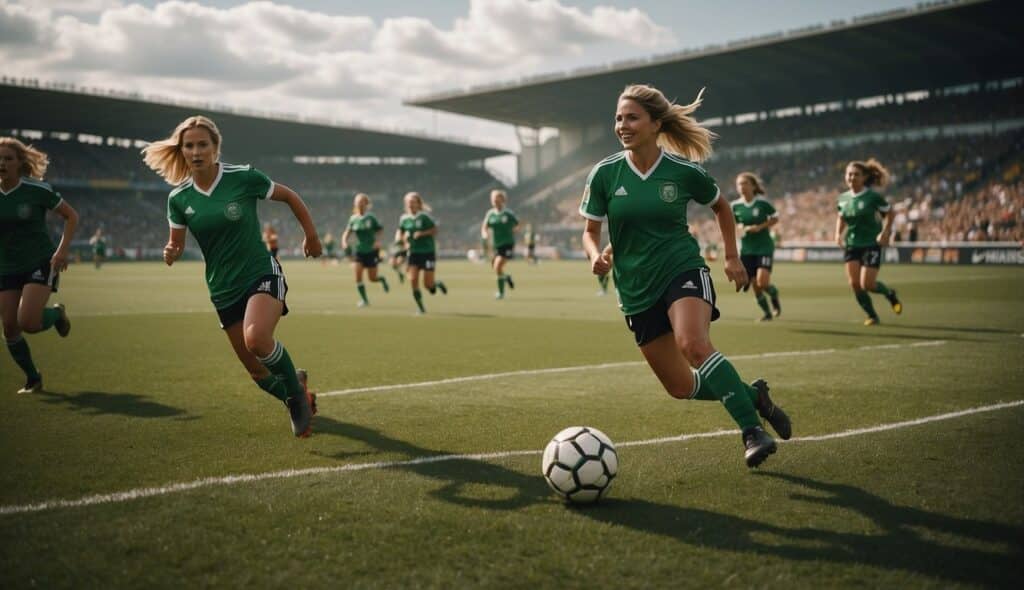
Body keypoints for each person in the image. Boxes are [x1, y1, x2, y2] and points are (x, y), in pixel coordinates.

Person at [579, 85, 790, 468]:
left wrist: (731, 257)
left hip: (682, 269)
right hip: (635, 289)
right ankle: (753, 397)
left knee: (693, 344)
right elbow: (590, 230)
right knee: (680, 386)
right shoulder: (605, 174)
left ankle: (751, 430)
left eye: (631, 117)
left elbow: (722, 208)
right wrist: (595, 255)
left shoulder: (683, 171)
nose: (622, 125)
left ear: (656, 123)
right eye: (618, 118)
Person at [143, 116, 319, 437]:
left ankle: (295, 399)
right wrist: (171, 251)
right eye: (189, 146)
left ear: (215, 148)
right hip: (223, 289)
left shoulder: (243, 177)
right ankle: (298, 390)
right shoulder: (178, 199)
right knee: (256, 371)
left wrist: (311, 235)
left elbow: (290, 196)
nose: (196, 151)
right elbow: (176, 243)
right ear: (181, 151)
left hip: (261, 273)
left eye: (202, 145)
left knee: (257, 339)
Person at [0, 137, 78, 394]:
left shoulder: (37, 190)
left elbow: (71, 215)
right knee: (10, 327)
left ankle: (57, 313)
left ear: (20, 162)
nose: (2, 163)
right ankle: (33, 378)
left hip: (41, 261)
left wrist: (62, 251)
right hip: (7, 267)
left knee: (29, 322)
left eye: (8, 158)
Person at [834, 159, 903, 326]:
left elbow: (890, 213)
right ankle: (872, 315)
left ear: (864, 177)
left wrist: (885, 232)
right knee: (855, 284)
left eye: (856, 174)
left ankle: (889, 294)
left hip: (871, 244)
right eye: (849, 174)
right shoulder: (843, 198)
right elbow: (841, 216)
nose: (852, 177)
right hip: (852, 244)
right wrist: (837, 234)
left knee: (868, 284)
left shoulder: (873, 197)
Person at [731, 172, 782, 321]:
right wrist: (740, 227)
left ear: (753, 186)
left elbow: (775, 218)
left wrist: (759, 227)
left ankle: (774, 295)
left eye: (745, 183)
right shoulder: (735, 206)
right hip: (746, 250)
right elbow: (732, 223)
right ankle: (767, 314)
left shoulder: (762, 203)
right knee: (755, 285)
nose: (742, 187)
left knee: (762, 282)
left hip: (764, 247)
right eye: (739, 184)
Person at [398, 192, 448, 314]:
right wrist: (402, 241)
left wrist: (422, 233)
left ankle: (437, 284)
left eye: (413, 202)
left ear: (418, 203)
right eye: (408, 202)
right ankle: (420, 308)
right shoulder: (404, 218)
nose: (410, 204)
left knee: (428, 285)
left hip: (427, 252)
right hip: (413, 253)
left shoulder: (425, 217)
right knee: (413, 279)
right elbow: (401, 232)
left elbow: (435, 230)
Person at [341, 193, 389, 307]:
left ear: (366, 204)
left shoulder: (371, 218)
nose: (360, 204)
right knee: (358, 277)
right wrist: (344, 242)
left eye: (362, 202)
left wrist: (377, 241)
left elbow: (380, 230)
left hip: (372, 251)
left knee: (372, 278)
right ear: (355, 204)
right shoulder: (353, 219)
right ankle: (364, 300)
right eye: (358, 202)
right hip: (359, 251)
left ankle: (382, 280)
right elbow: (347, 233)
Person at [480, 189, 519, 299]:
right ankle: (506, 278)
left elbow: (517, 224)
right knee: (497, 268)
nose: (495, 200)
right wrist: (484, 234)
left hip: (507, 244)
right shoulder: (490, 213)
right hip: (496, 245)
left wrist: (514, 230)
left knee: (497, 266)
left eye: (497, 198)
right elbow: (484, 227)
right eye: (493, 199)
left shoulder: (508, 214)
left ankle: (501, 293)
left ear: (503, 200)